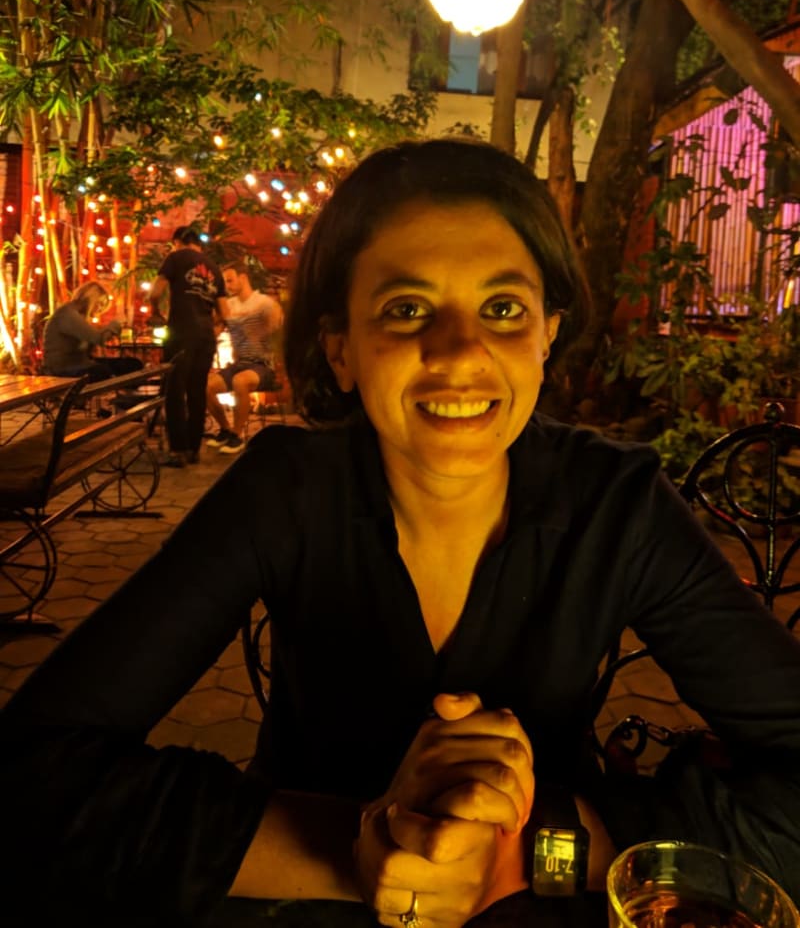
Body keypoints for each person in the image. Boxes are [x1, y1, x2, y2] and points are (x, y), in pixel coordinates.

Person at [2, 139, 800, 928]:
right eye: (407, 308)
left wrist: (521, 854)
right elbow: (31, 771)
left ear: (547, 336)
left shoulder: (615, 503)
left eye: (503, 308)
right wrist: (360, 846)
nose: (460, 351)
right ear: (340, 349)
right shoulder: (286, 489)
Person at [150, 226, 229, 467]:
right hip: (205, 337)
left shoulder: (176, 257)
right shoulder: (214, 268)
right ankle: (194, 449)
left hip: (181, 333)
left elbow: (155, 292)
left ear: (178, 241)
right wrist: (212, 330)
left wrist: (156, 311)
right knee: (197, 391)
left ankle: (178, 451)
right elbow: (225, 313)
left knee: (174, 390)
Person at [206, 261, 284, 455]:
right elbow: (215, 328)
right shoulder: (228, 306)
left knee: (240, 381)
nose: (227, 286)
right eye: (225, 282)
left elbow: (280, 328)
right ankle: (225, 429)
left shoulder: (263, 303)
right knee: (206, 386)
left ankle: (237, 435)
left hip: (263, 366)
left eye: (230, 280)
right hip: (240, 364)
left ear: (243, 278)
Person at [42, 280, 143, 381]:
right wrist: (116, 323)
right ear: (91, 299)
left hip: (80, 363)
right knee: (101, 371)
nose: (100, 309)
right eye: (100, 304)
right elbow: (98, 338)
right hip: (62, 369)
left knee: (132, 364)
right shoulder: (68, 314)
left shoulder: (78, 315)